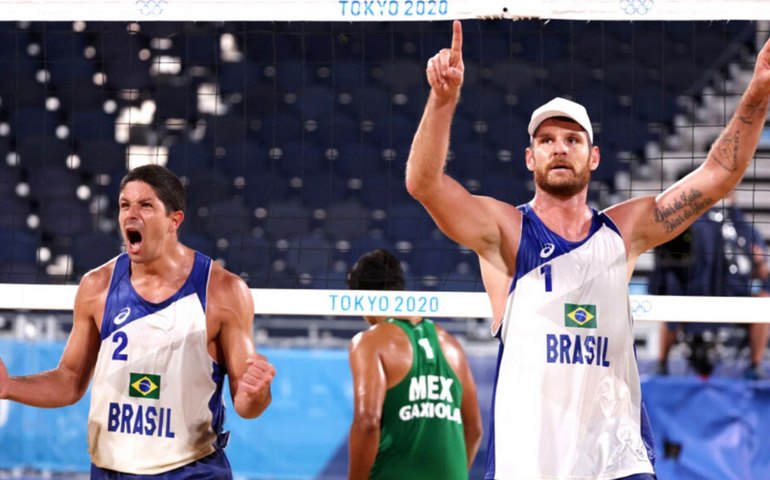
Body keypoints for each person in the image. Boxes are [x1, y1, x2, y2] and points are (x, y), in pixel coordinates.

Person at [405, 19, 770, 480]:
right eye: (546, 141)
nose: (559, 149)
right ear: (530, 157)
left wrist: (757, 92)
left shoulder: (624, 230)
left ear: (593, 157)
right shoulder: (506, 230)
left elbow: (718, 177)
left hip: (617, 460)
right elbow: (424, 184)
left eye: (573, 140)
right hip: (531, 463)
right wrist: (442, 101)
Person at [0, 164, 275, 478]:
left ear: (175, 220)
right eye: (124, 205)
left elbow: (246, 406)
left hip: (191, 471)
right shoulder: (97, 287)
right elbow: (70, 382)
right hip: (113, 470)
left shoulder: (224, 291)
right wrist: (9, 387)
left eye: (146, 205)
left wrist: (257, 392)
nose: (131, 214)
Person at [346, 248, 483, 480]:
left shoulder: (370, 341)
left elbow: (367, 422)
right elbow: (474, 430)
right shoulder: (452, 345)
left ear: (361, 299)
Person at [652, 189, 770, 379]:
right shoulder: (691, 223)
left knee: (764, 300)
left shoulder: (745, 229)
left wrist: (760, 262)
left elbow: (763, 273)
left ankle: (755, 366)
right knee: (669, 300)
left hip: (735, 298)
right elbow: (672, 265)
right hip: (695, 294)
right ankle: (661, 363)